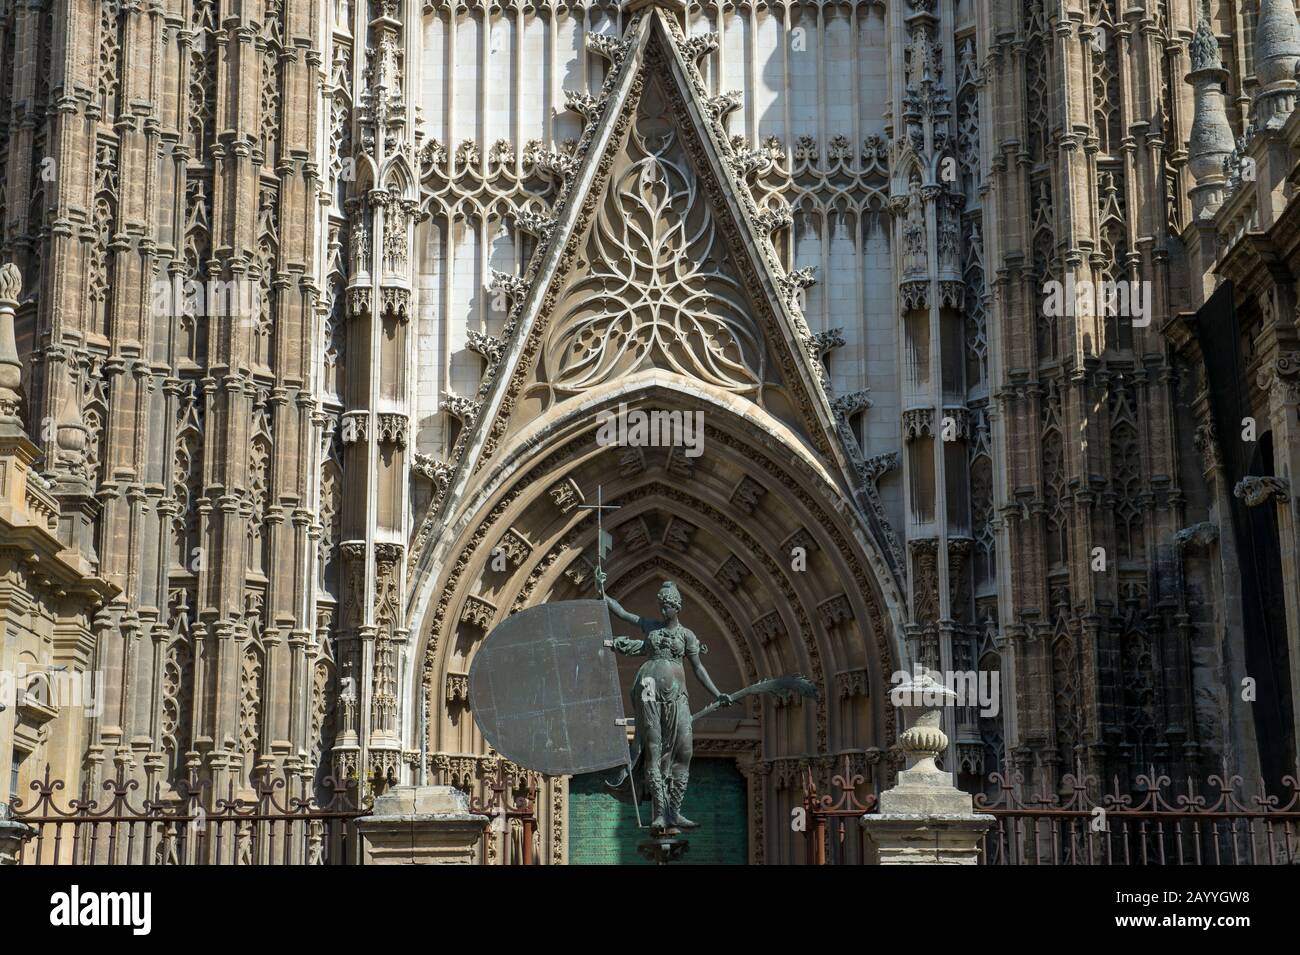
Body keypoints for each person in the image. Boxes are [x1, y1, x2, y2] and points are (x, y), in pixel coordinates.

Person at [603, 580, 733, 831]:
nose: (662, 611)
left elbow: (699, 668)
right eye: (660, 606)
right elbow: (623, 613)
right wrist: (603, 593)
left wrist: (718, 693)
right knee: (652, 749)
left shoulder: (687, 636)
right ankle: (660, 813)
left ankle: (674, 811)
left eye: (667, 607)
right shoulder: (650, 626)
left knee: (684, 751)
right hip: (649, 690)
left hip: (677, 696)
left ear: (677, 607)